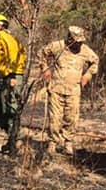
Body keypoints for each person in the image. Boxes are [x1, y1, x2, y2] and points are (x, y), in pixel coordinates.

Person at [39, 25, 99, 155]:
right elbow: (42, 53)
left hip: (74, 90)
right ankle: (53, 142)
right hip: (56, 88)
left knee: (71, 118)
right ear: (70, 39)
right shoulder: (58, 46)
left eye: (81, 41)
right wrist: (45, 69)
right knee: (55, 118)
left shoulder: (85, 50)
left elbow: (95, 61)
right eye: (76, 41)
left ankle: (68, 143)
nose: (78, 44)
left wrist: (88, 75)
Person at [0, 13, 27, 153]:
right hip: (15, 76)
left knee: (7, 109)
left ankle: (17, 140)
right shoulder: (13, 38)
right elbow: (23, 54)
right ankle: (12, 139)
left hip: (11, 77)